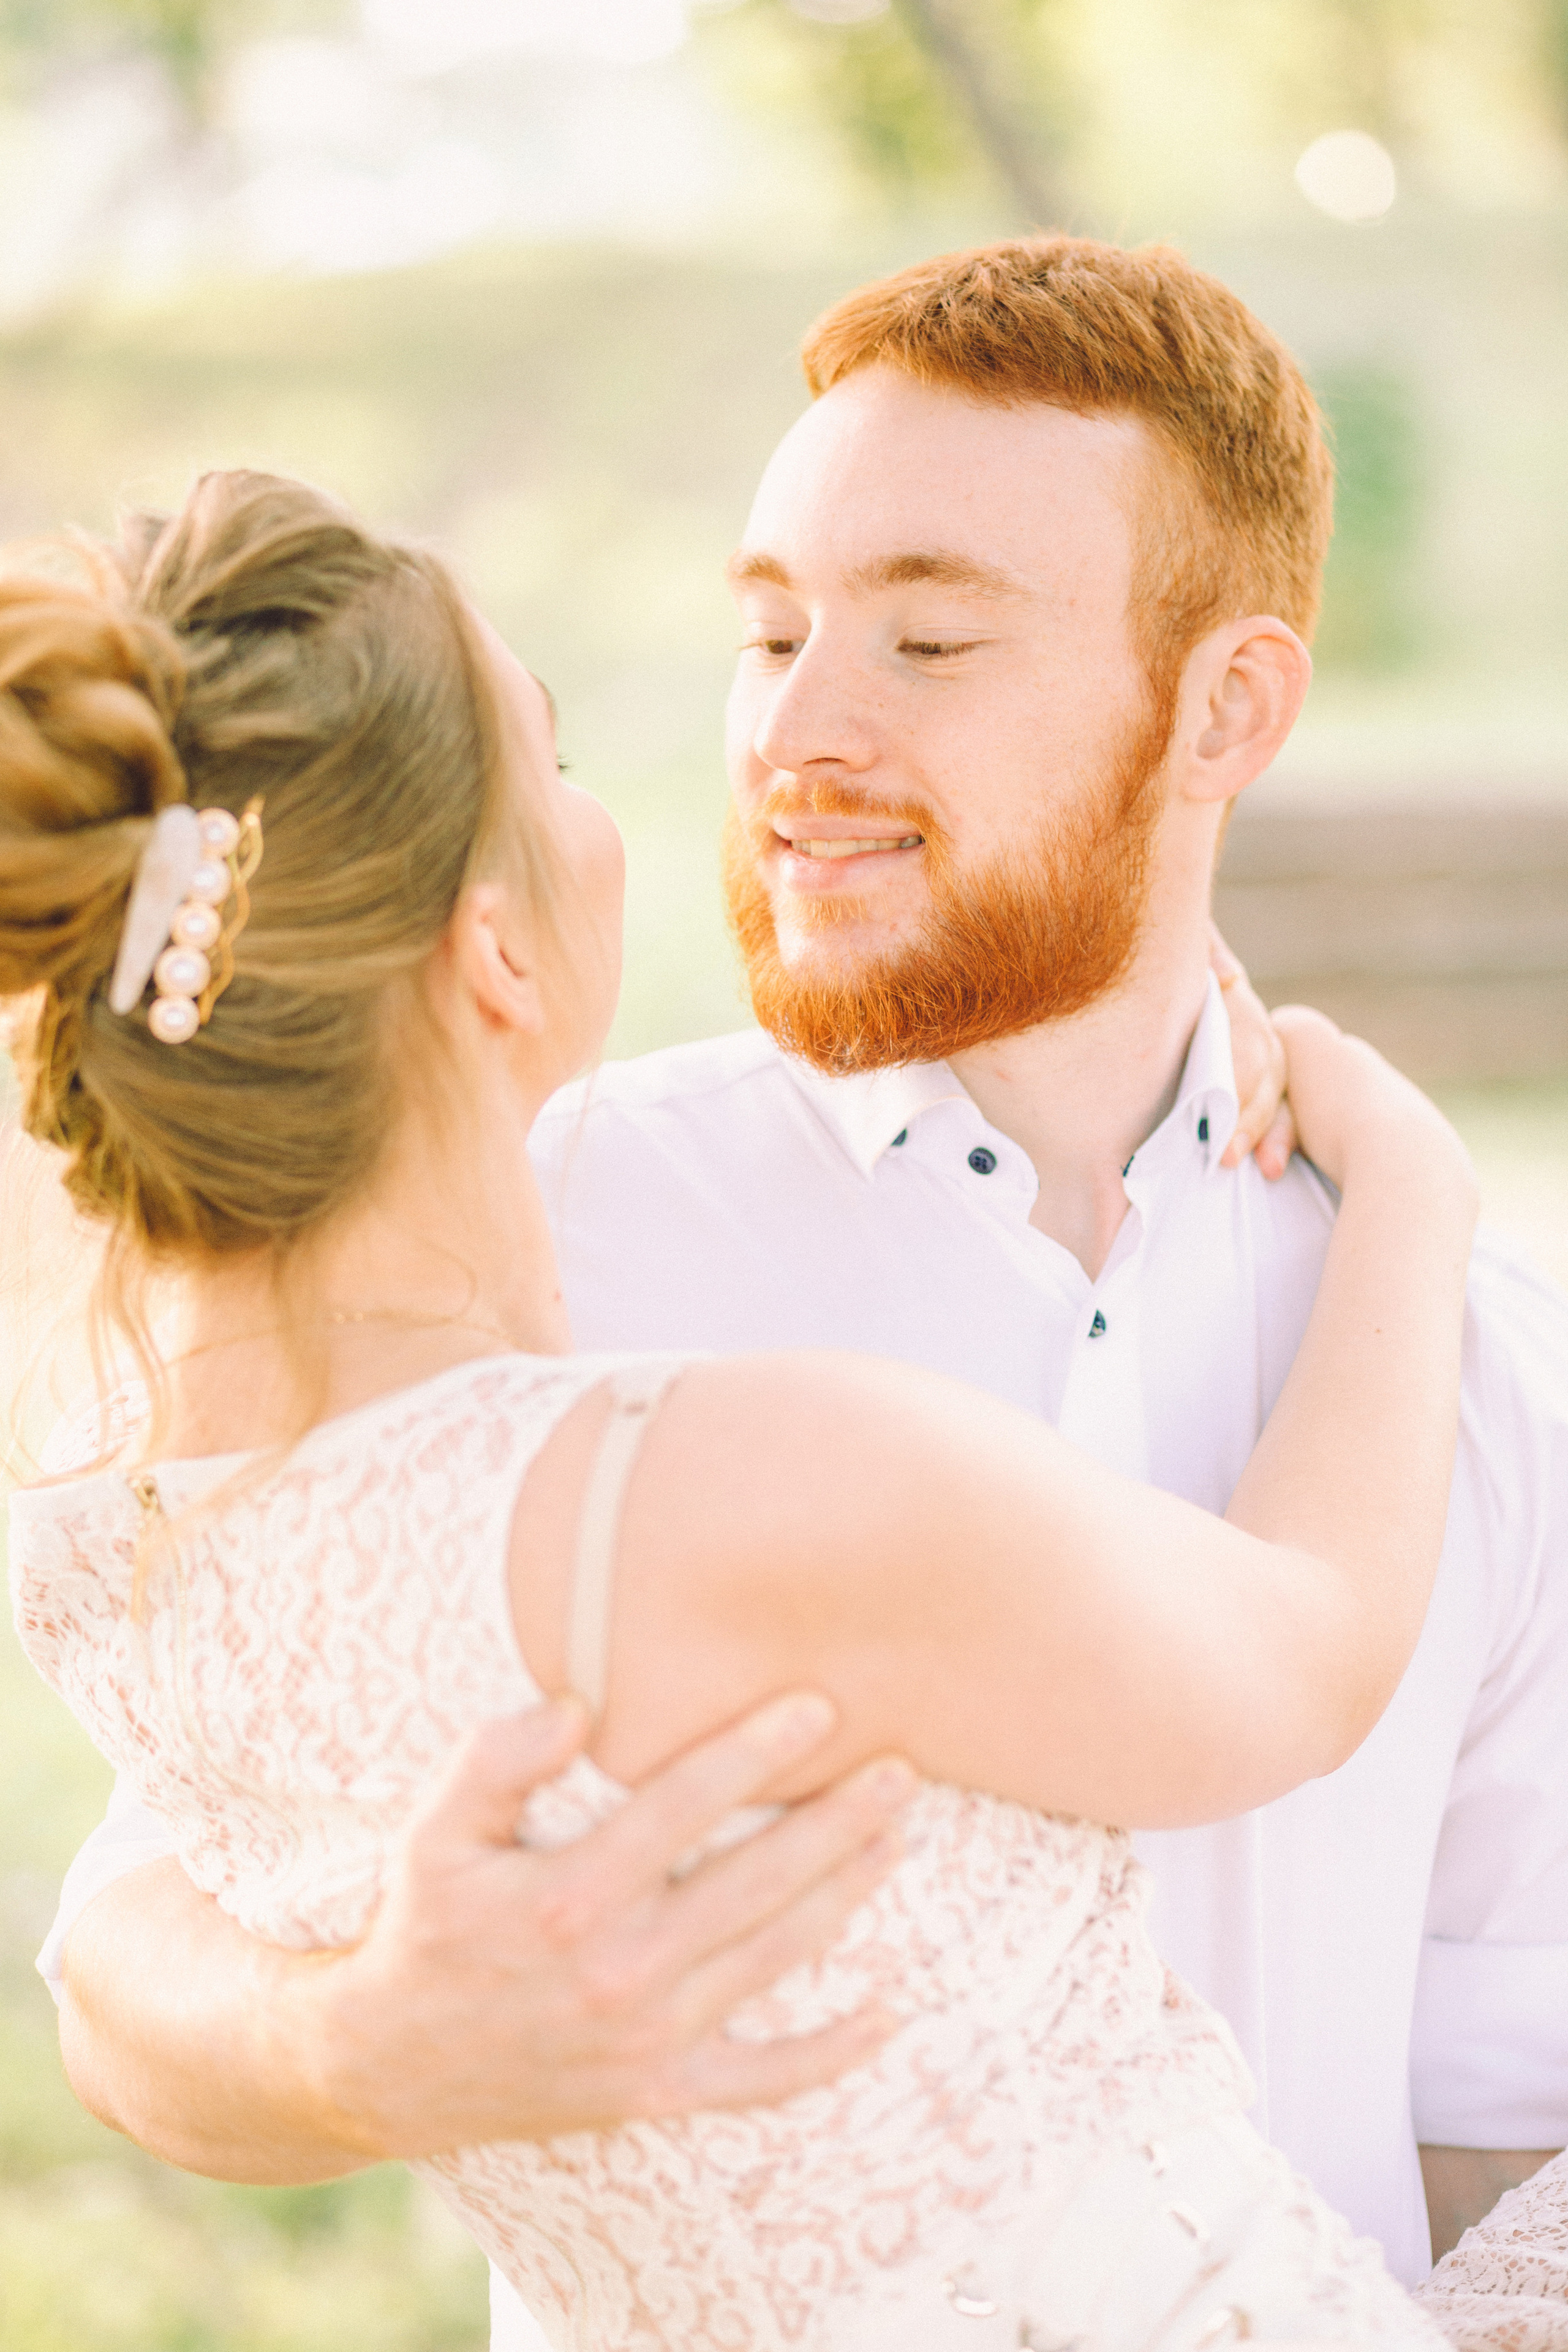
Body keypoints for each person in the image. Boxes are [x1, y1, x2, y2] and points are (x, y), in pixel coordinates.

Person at [32, 240, 1568, 2336]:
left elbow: (1505, 2113)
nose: (797, 735)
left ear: (1231, 706)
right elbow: (143, 1934)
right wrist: (356, 2042)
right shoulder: (501, 1245)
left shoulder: (1477, 1361)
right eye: (768, 633)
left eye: (928, 641)